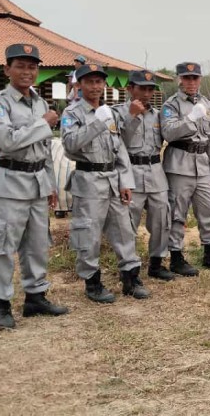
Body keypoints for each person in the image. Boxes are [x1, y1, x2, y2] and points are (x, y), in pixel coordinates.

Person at [0, 43, 67, 329]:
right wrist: (44, 123)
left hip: (36, 182)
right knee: (4, 245)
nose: (27, 71)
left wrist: (52, 185)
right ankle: (2, 303)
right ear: (7, 69)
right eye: (20, 65)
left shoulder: (40, 103)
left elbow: (44, 151)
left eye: (32, 66)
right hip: (8, 183)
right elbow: (8, 141)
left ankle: (35, 296)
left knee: (37, 244)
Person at [61, 64, 148, 302]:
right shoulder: (72, 114)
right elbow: (70, 145)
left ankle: (130, 278)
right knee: (88, 233)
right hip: (88, 180)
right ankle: (93, 283)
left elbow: (119, 149)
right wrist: (96, 123)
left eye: (99, 82)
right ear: (78, 85)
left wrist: (125, 182)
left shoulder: (108, 112)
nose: (95, 87)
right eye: (89, 82)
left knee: (124, 229)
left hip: (112, 179)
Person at [161, 62, 210, 274]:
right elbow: (168, 133)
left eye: (195, 78)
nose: (191, 82)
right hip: (180, 164)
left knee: (208, 211)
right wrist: (190, 119)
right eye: (187, 78)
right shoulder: (171, 105)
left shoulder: (207, 103)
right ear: (179, 79)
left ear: (200, 79)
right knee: (177, 213)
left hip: (202, 163)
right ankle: (177, 257)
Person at [114, 70, 174, 281]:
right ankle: (129, 269)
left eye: (150, 89)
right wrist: (132, 116)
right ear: (130, 89)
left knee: (162, 220)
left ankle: (156, 263)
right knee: (128, 224)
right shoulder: (118, 113)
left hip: (156, 172)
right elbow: (118, 140)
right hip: (130, 172)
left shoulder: (158, 115)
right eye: (142, 88)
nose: (147, 93)